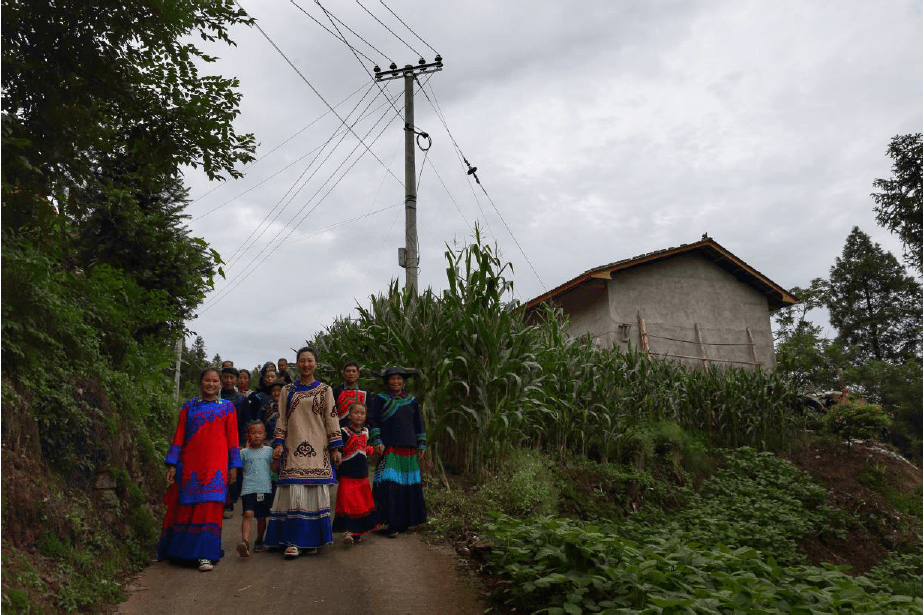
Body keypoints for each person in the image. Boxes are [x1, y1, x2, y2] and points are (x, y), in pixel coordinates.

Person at [158, 368, 241, 571]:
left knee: (210, 509)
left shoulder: (228, 408)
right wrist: (171, 463)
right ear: (200, 382)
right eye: (207, 380)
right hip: (190, 467)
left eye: (214, 381)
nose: (210, 384)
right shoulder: (188, 407)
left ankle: (206, 555)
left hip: (216, 467)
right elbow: (179, 436)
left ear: (220, 384)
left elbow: (233, 439)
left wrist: (234, 466)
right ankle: (183, 554)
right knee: (187, 508)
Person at [265, 347, 342, 558]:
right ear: (296, 364)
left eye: (310, 361)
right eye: (302, 361)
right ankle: (293, 541)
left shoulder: (326, 390)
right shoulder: (287, 391)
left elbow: (332, 418)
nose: (306, 365)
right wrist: (278, 443)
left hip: (319, 449)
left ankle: (313, 541)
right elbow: (281, 418)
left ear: (316, 364)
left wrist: (335, 448)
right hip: (293, 448)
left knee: (314, 492)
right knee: (295, 493)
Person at [368, 366, 427, 538]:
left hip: (408, 448)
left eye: (399, 379)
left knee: (407, 485)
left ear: (403, 381)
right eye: (392, 379)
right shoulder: (381, 399)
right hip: (390, 448)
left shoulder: (411, 400)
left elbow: (418, 423)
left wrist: (421, 444)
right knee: (389, 484)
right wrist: (377, 441)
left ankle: (405, 522)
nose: (396, 382)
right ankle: (390, 523)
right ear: (387, 381)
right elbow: (373, 421)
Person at [332, 401, 379, 543]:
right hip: (347, 474)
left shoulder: (365, 432)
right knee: (347, 502)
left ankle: (357, 530)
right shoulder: (344, 432)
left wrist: (373, 450)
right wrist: (337, 455)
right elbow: (338, 450)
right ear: (349, 415)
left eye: (362, 413)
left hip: (362, 475)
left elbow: (364, 449)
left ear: (365, 416)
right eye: (356, 413)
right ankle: (347, 531)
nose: (359, 415)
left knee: (360, 503)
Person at [238, 421, 276, 557]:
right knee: (248, 514)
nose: (257, 436)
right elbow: (236, 466)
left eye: (260, 433)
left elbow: (274, 468)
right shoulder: (243, 453)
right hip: (248, 489)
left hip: (264, 489)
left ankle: (259, 541)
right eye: (253, 433)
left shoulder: (269, 451)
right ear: (248, 435)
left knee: (261, 517)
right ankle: (245, 542)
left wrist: (277, 458)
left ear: (265, 435)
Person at [220, 366, 249, 519]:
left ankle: (229, 503)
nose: (229, 381)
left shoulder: (242, 400)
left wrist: (243, 442)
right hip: (217, 439)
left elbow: (245, 422)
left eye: (232, 378)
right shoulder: (215, 397)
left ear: (236, 380)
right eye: (226, 377)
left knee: (233, 472)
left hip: (235, 440)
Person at [332, 361, 372, 427]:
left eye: (354, 371)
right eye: (348, 371)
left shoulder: (365, 393)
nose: (351, 373)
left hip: (360, 431)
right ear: (343, 374)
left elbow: (369, 414)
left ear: (358, 374)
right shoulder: (336, 392)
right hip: (340, 429)